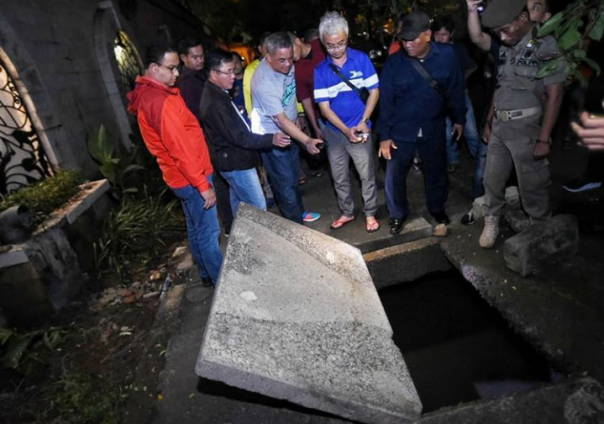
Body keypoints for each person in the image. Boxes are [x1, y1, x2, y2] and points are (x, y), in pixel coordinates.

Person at [468, 0, 565, 249]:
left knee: (531, 183)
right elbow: (500, 87)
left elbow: (556, 95)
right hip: (500, 126)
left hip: (526, 128)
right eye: (497, 32)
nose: (501, 35)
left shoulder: (546, 45)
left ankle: (540, 226)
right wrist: (490, 122)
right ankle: (492, 219)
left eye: (505, 29)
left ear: (522, 18)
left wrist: (544, 138)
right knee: (492, 179)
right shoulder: (506, 47)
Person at [127, 45, 222, 286]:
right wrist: (202, 184)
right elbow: (179, 149)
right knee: (209, 233)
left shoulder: (150, 94)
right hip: (191, 177)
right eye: (170, 69)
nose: (176, 74)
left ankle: (206, 276)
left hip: (178, 177)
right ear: (154, 68)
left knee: (196, 228)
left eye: (177, 68)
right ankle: (223, 284)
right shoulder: (160, 101)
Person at [378, 11, 466, 235]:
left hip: (433, 125)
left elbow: (455, 89)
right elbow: (386, 102)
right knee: (395, 176)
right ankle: (398, 214)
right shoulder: (394, 64)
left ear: (428, 34)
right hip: (401, 128)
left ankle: (437, 208)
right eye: (404, 39)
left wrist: (459, 119)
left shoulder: (447, 55)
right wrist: (385, 136)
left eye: (413, 39)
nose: (407, 44)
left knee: (436, 171)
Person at [200, 49, 292, 215]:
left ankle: (239, 238)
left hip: (231, 161)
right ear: (214, 74)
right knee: (258, 208)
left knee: (241, 209)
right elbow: (239, 137)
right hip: (236, 163)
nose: (233, 76)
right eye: (228, 72)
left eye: (233, 70)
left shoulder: (217, 94)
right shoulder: (215, 102)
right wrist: (271, 139)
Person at [314, 11, 381, 233]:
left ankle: (370, 212)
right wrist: (345, 130)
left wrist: (364, 121)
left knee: (366, 174)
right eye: (331, 45)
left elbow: (374, 91)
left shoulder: (361, 59)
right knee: (339, 176)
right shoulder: (321, 71)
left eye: (341, 43)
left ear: (347, 38)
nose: (336, 49)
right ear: (324, 44)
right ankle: (347, 212)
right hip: (335, 133)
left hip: (361, 128)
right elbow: (324, 108)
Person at [250, 31, 323, 224]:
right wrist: (306, 139)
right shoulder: (263, 82)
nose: (288, 64)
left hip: (290, 129)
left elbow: (289, 97)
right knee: (284, 184)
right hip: (274, 138)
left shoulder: (286, 65)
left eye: (290, 58)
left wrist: (296, 117)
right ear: (268, 57)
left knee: (294, 179)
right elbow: (280, 120)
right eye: (282, 60)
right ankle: (294, 226)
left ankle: (297, 214)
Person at [177, 37, 234, 237]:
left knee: (224, 181)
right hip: (204, 140)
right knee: (220, 182)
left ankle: (232, 222)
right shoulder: (186, 83)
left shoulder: (199, 77)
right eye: (195, 57)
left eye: (202, 56)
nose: (200, 60)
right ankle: (229, 225)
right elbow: (197, 115)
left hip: (210, 136)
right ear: (184, 57)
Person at [244, 33, 270, 117]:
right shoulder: (251, 70)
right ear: (260, 48)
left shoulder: (282, 64)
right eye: (267, 47)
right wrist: (252, 118)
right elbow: (248, 95)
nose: (270, 50)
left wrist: (299, 111)